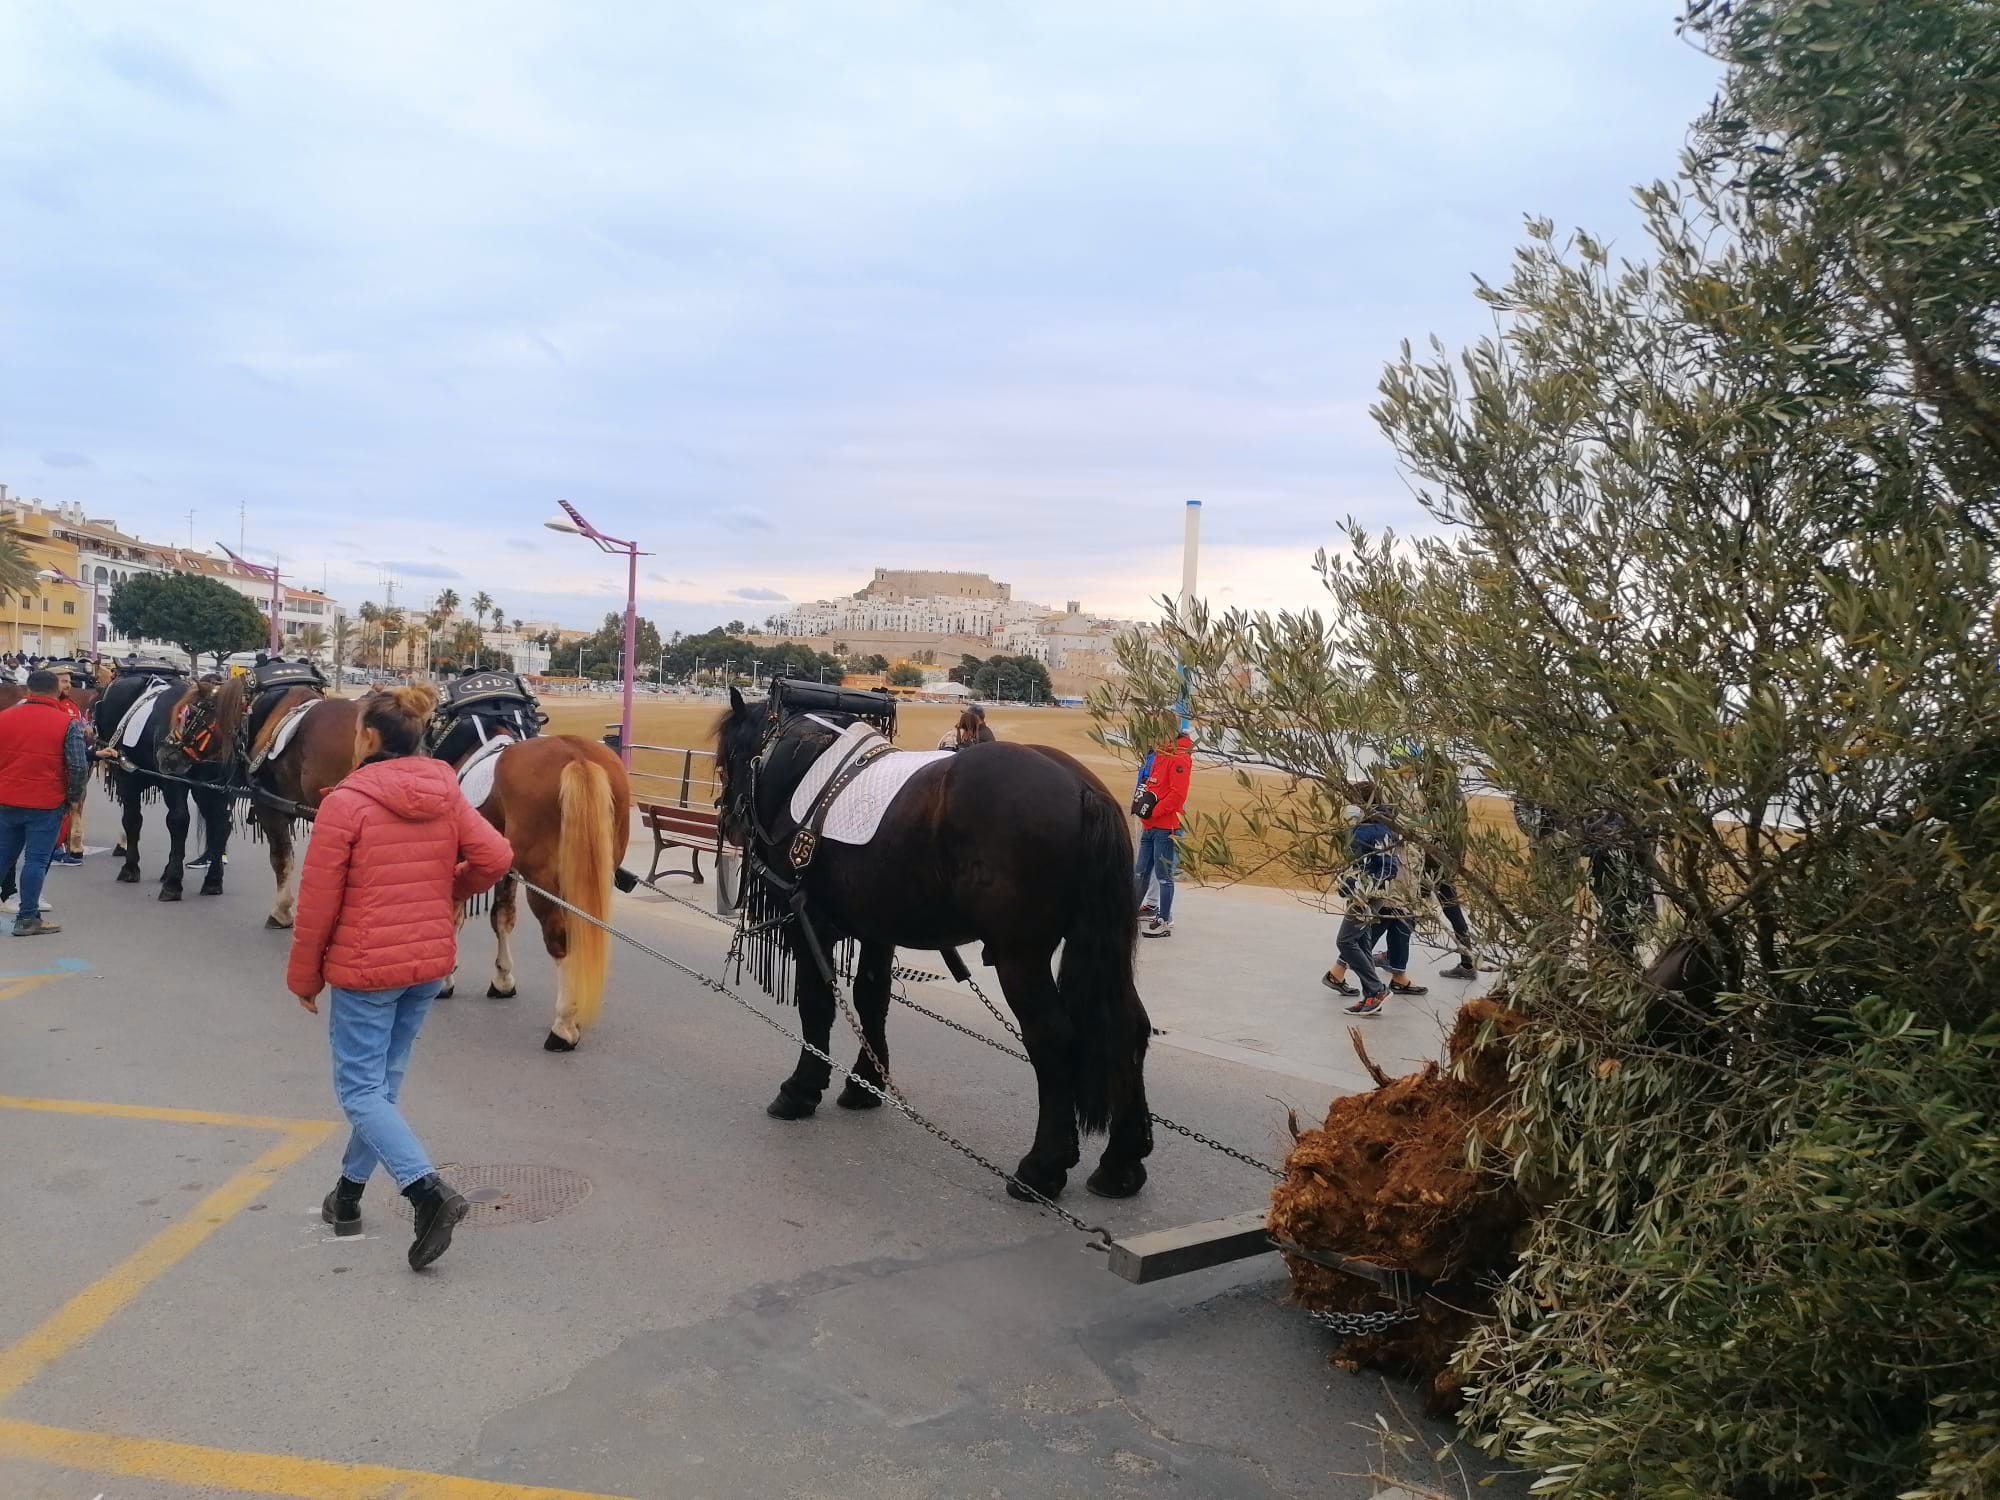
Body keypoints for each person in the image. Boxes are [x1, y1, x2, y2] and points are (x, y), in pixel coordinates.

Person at [286, 685, 514, 1270]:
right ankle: (348, 1196)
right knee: (381, 1088)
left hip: (367, 968)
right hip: (426, 964)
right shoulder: (446, 790)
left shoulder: (347, 802)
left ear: (366, 736)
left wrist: (304, 976)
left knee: (360, 1092)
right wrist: (448, 895)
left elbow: (316, 902)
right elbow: (495, 858)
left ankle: (425, 1191)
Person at [0, 669, 88, 935]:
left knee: (3, 856)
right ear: (57, 691)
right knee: (36, 861)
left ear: (28, 691)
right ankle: (28, 918)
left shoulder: (4, 718)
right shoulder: (67, 723)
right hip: (46, 803)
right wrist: (73, 798)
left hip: (6, 800)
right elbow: (78, 767)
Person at [1132, 732, 1192, 938]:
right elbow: (1151, 786)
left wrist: (1153, 813)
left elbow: (1177, 795)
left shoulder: (1179, 758)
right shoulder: (1159, 755)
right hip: (1151, 826)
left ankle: (1164, 919)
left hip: (1167, 827)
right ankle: (1131, 912)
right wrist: (1144, 813)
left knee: (1163, 876)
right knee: (1140, 872)